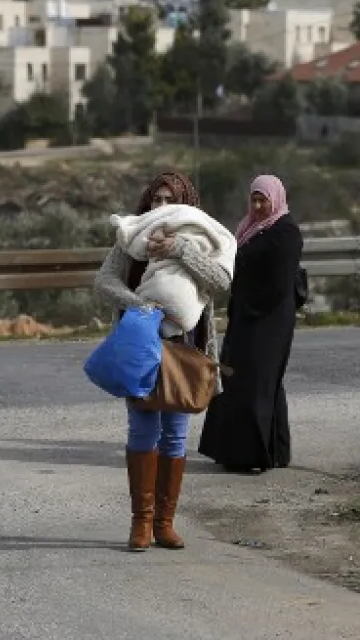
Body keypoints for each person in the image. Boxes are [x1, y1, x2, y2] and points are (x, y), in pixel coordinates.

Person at [93, 171, 232, 552]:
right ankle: (140, 522)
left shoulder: (201, 237)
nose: (161, 207)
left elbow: (220, 282)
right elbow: (104, 280)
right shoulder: (132, 234)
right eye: (156, 199)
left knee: (175, 433)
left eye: (169, 199)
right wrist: (139, 303)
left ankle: (164, 524)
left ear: (185, 202)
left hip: (185, 348)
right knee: (142, 430)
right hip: (141, 344)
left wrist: (180, 251)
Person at [197, 175, 304, 474]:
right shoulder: (249, 228)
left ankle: (251, 456)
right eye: (254, 199)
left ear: (276, 200)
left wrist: (251, 307)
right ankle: (273, 451)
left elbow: (279, 284)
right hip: (246, 315)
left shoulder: (286, 233)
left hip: (268, 318)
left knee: (257, 382)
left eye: (263, 200)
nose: (257, 206)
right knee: (248, 381)